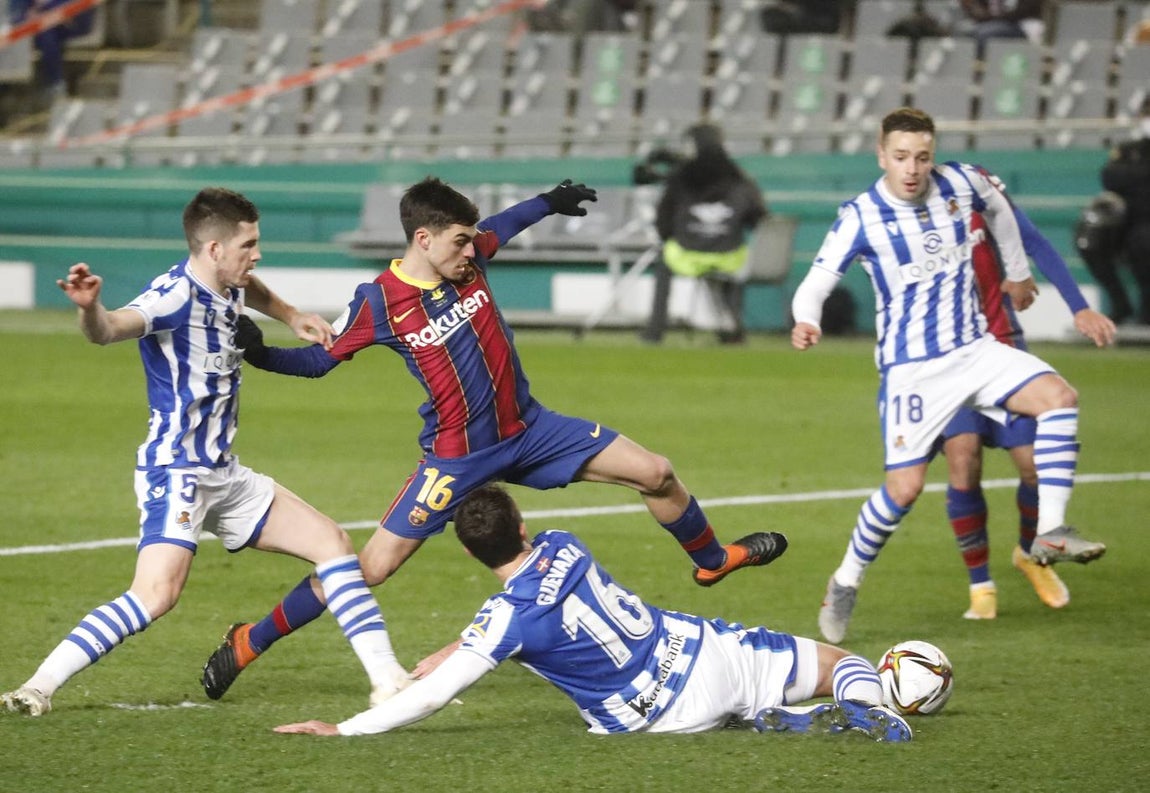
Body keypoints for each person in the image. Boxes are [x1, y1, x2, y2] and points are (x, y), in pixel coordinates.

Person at [199, 177, 787, 704]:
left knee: (656, 472)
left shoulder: (470, 255)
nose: (471, 249)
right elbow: (318, 363)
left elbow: (504, 226)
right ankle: (251, 639)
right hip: (456, 459)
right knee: (368, 569)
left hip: (531, 431)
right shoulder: (380, 302)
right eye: (459, 240)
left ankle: (713, 561)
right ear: (423, 238)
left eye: (472, 239)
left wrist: (550, 203)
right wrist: (258, 351)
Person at [1, 187, 406, 717]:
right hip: (177, 472)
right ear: (214, 249)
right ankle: (36, 687)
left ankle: (388, 680)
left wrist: (289, 314)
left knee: (333, 545)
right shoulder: (171, 297)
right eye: (248, 245)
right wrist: (91, 308)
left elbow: (251, 288)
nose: (256, 254)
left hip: (224, 474)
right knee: (155, 595)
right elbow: (109, 331)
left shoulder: (229, 280)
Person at [790, 107, 1107, 644]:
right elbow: (816, 283)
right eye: (900, 157)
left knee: (1059, 396)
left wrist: (1018, 271)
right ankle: (845, 580)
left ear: (932, 155)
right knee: (905, 489)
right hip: (914, 372)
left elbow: (1006, 217)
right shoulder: (862, 216)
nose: (912, 169)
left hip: (976, 349)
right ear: (881, 155)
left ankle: (1049, 532)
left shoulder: (963, 182)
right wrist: (806, 319)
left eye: (921, 157)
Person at [272, 484, 912, 741]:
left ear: (469, 552)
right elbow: (531, 611)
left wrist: (348, 729)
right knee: (844, 663)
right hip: (698, 651)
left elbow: (433, 695)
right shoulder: (564, 544)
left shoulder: (506, 622)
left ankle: (785, 722)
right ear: (523, 525)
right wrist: (464, 642)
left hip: (660, 718)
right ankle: (877, 706)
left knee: (747, 715)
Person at [937, 207, 1115, 621]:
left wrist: (1078, 307)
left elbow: (1034, 240)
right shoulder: (901, 212)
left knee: (1033, 465)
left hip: (1005, 353)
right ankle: (980, 585)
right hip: (949, 361)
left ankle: (1031, 553)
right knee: (963, 461)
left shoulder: (979, 194)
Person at [639, 124, 768, 345]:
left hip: (686, 257)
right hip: (730, 257)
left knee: (665, 261)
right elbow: (757, 217)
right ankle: (734, 329)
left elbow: (664, 221)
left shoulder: (679, 178)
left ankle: (655, 330)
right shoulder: (740, 179)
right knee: (731, 269)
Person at [1074, 108, 1150, 325]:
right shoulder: (1130, 149)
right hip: (1127, 220)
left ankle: (1146, 313)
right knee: (1089, 240)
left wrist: (1134, 177)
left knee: (1143, 244)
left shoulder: (1131, 156)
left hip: (1144, 226)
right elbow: (1109, 177)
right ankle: (1120, 304)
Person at [8, 0, 96, 98]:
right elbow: (17, 16)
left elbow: (73, 8)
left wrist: (43, 10)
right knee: (46, 33)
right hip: (39, 26)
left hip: (71, 22)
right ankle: (55, 84)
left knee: (47, 33)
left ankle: (55, 84)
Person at [954, 0, 1046, 53]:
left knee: (983, 34)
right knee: (966, 30)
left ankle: (981, 64)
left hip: (1025, 26)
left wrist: (993, 18)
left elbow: (1019, 13)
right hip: (1003, 23)